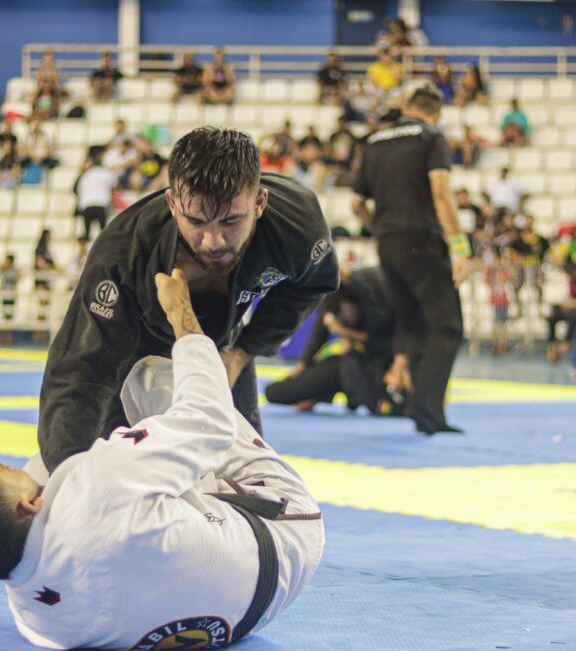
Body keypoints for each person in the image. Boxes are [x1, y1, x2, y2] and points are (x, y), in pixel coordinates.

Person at [0, 274, 324, 651]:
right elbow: (210, 422)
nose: (12, 467)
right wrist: (183, 319)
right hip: (287, 534)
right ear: (27, 505)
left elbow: (56, 485)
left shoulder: (37, 621)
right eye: (3, 470)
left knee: (76, 474)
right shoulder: (103, 486)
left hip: (241, 619)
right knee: (150, 377)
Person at [38, 127, 338, 471]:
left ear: (259, 203)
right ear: (171, 203)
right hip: (133, 348)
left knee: (246, 472)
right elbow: (80, 372)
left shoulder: (295, 226)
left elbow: (314, 283)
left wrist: (244, 351)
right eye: (195, 221)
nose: (213, 241)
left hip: (221, 345)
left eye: (231, 221)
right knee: (121, 470)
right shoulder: (123, 252)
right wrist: (66, 477)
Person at [351, 87, 467, 435]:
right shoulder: (431, 137)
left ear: (406, 107)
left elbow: (357, 205)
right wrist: (460, 247)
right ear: (437, 113)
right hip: (421, 240)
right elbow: (442, 194)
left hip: (387, 243)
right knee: (447, 327)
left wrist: (382, 230)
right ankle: (429, 414)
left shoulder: (373, 142)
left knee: (413, 326)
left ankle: (417, 408)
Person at [265, 266, 394, 414]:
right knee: (275, 392)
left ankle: (368, 400)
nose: (346, 319)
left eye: (346, 312)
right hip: (346, 368)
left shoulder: (375, 299)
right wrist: (303, 365)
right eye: (341, 318)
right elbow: (320, 332)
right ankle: (320, 393)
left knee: (352, 366)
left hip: (378, 370)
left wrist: (348, 332)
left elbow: (389, 344)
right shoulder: (331, 304)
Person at [73, 154, 117, 246]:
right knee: (103, 230)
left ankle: (85, 244)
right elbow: (114, 185)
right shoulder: (106, 173)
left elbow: (78, 189)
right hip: (101, 202)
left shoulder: (85, 175)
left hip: (87, 204)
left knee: (87, 230)